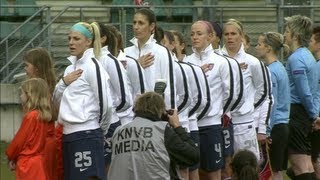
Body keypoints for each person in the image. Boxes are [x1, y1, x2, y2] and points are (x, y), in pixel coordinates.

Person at [53, 22, 114, 180]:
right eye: (69, 38)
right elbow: (56, 103)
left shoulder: (93, 66)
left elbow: (106, 104)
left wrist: (98, 130)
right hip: (68, 136)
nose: (71, 42)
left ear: (88, 42)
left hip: (87, 135)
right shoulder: (69, 69)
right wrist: (63, 83)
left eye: (76, 38)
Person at [107, 92, 200, 180]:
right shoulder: (162, 130)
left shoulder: (118, 131)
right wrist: (177, 126)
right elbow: (193, 157)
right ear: (162, 112)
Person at [185, 20, 235, 180]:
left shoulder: (222, 62)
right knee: (192, 172)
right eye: (192, 34)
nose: (194, 37)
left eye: (199, 34)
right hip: (190, 126)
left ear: (211, 36)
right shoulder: (185, 62)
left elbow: (231, 95)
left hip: (212, 126)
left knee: (214, 172)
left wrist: (217, 113)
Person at [221, 19, 270, 161]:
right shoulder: (216, 59)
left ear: (241, 36)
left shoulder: (253, 62)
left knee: (247, 167)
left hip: (244, 124)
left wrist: (248, 108)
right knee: (225, 168)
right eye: (226, 34)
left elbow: (264, 92)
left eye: (233, 33)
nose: (229, 37)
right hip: (220, 123)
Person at [283, 15, 320, 179]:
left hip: (297, 113)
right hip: (304, 112)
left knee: (299, 165)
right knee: (306, 162)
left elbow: (304, 92)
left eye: (287, 31)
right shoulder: (308, 56)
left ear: (295, 35)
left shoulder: (296, 58)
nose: (284, 34)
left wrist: (313, 115)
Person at [124, 8, 176, 109]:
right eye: (134, 23)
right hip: (129, 113)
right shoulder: (126, 52)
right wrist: (136, 66)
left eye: (141, 23)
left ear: (152, 26)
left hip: (153, 112)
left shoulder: (162, 52)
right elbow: (121, 84)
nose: (136, 27)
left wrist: (170, 111)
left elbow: (169, 85)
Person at [255, 32, 290, 180]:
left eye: (259, 44)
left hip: (275, 127)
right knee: (276, 170)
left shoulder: (272, 71)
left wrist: (266, 130)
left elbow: (272, 103)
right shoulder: (279, 67)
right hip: (281, 125)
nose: (256, 47)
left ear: (268, 48)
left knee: (272, 170)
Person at [23, 47, 59, 180]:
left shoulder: (41, 92)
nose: (25, 70)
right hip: (42, 146)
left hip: (42, 147)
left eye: (27, 66)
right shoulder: (44, 88)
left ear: (37, 68)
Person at [6, 78, 52, 180]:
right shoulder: (43, 116)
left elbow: (19, 141)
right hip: (39, 162)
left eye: (22, 93)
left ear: (30, 95)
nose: (20, 96)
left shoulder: (31, 116)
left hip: (28, 165)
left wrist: (10, 156)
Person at [308, 26, 320, 179]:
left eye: (311, 40)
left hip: (318, 118)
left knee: (314, 158)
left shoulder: (316, 66)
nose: (309, 43)